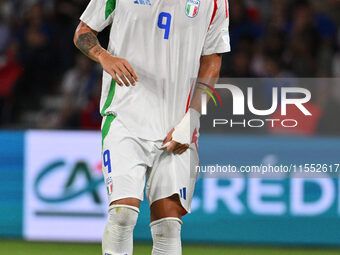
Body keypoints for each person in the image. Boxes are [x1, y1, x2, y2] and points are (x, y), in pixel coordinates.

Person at [74, 0, 230, 254]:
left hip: (176, 127)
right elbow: (83, 32)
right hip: (125, 116)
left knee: (169, 227)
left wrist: (192, 119)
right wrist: (105, 57)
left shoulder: (215, 2)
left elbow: (212, 62)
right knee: (122, 215)